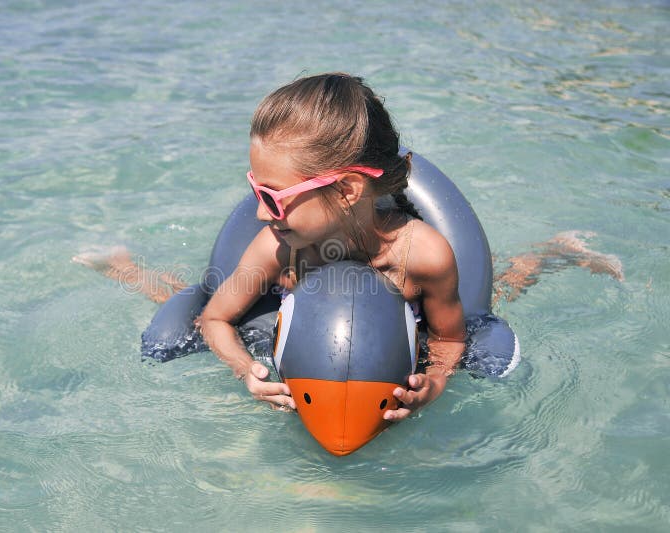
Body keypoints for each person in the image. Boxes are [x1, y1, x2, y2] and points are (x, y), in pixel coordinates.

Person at [74, 73, 624, 420]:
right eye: (254, 192)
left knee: (500, 290)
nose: (262, 212)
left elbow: (453, 335)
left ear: (348, 190)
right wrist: (244, 369)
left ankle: (556, 251)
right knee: (209, 294)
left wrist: (434, 382)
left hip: (415, 306)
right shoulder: (278, 246)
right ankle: (125, 267)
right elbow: (215, 319)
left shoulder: (423, 255)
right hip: (284, 300)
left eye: (274, 195)